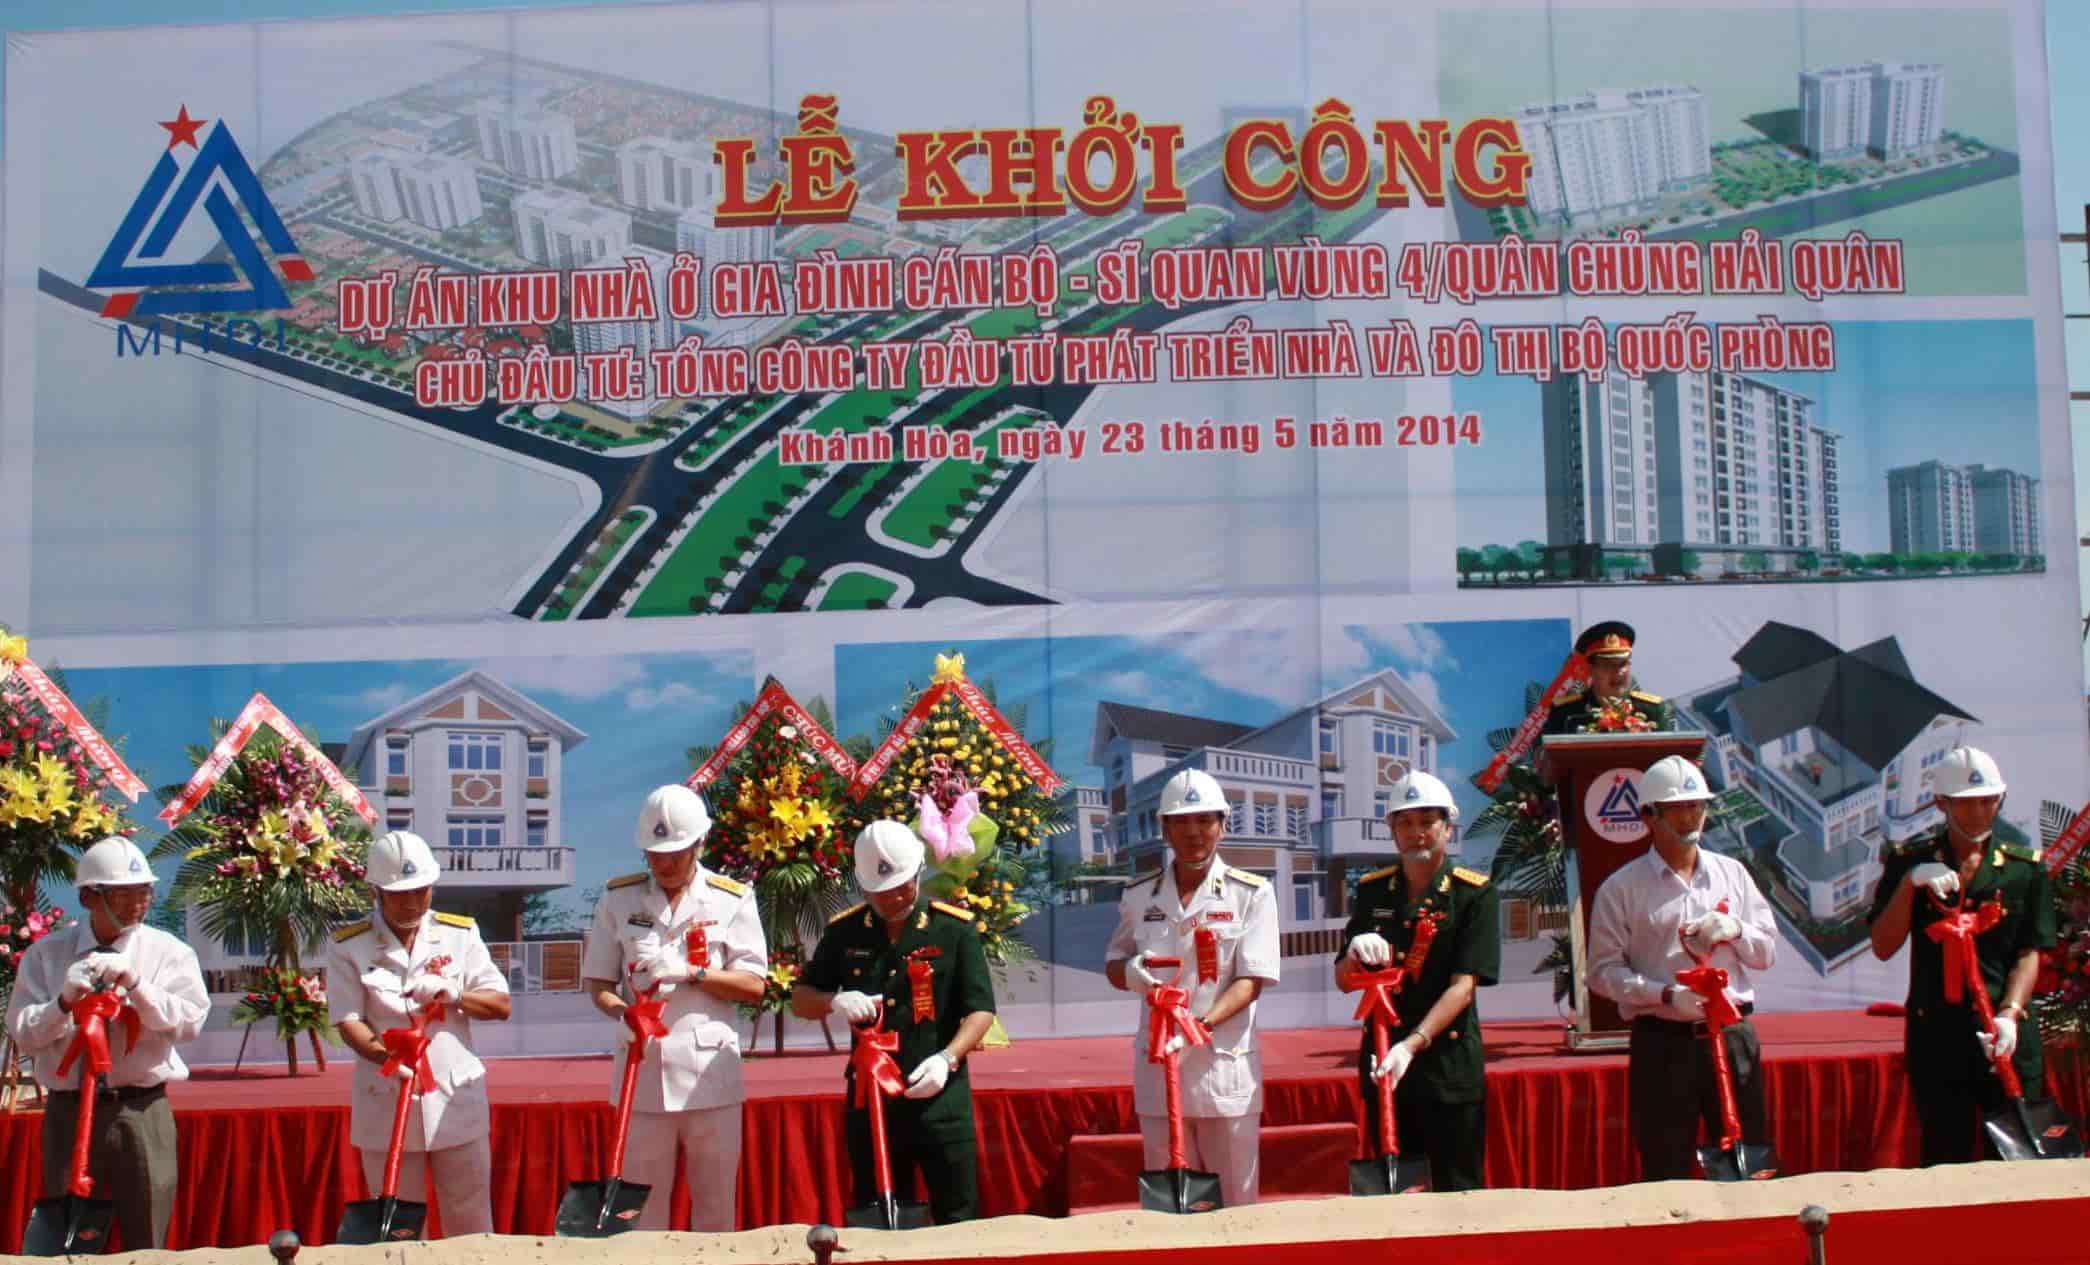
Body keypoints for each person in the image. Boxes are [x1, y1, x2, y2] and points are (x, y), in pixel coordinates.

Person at [3, 835, 209, 1250]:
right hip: (69, 1111)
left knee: (147, 1234)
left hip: (141, 1108)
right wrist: (62, 1004)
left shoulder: (169, 952)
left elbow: (189, 1023)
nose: (138, 903)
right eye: (123, 894)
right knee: (67, 1236)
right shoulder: (47, 955)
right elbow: (23, 1031)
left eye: (144, 892)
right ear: (88, 897)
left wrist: (139, 987)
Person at [581, 784, 768, 1232]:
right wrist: (623, 1014)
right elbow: (598, 982)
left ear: (700, 843)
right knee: (640, 1216)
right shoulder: (618, 898)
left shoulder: (730, 898)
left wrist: (693, 972)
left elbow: (754, 985)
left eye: (675, 854)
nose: (664, 864)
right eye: (654, 854)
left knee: (715, 1209)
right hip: (642, 1073)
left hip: (710, 1080)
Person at [792, 820, 997, 1224]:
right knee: (880, 1218)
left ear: (918, 872)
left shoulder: (952, 929)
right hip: (872, 1102)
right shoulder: (844, 932)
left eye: (902, 887)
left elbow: (981, 1009)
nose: (892, 899)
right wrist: (834, 1001)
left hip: (939, 1095)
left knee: (958, 1213)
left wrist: (948, 1059)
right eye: (880, 892)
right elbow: (801, 999)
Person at [1587, 755, 1777, 1180]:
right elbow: (1602, 973)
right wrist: (1666, 995)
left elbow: (1765, 954)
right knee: (1665, 1170)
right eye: (1676, 808)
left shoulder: (1733, 874)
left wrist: (1737, 929)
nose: (1690, 817)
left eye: (1697, 806)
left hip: (1732, 1036)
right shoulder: (1621, 888)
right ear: (1648, 816)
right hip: (1663, 1044)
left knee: (1748, 1166)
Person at [1866, 746, 2057, 1166]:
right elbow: (1883, 945)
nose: (1980, 812)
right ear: (1942, 803)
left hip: (2004, 1035)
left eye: (1990, 800)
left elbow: (2031, 950)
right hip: (1938, 1033)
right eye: (1968, 802)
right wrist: (1910, 884)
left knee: (2016, 1159)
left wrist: (2010, 1014)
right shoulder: (1909, 862)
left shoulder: (2024, 868)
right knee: (1944, 1157)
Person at [1103, 768, 1280, 1209]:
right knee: (1168, 1208)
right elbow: (1114, 962)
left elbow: (1252, 980)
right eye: (1180, 821)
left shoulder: (1251, 894)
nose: (1193, 832)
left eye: (1204, 820)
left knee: (1236, 1205)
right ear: (1164, 829)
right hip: (1159, 1068)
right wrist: (1131, 973)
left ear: (1222, 824)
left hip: (1223, 1069)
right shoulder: (1139, 895)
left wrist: (1198, 1026)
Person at [327, 830, 511, 1237]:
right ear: (375, 891)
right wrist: (386, 1058)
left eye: (420, 891)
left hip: (454, 1098)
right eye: (399, 894)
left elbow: (500, 1005)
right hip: (386, 1097)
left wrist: (456, 994)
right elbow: (347, 1020)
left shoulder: (460, 934)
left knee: (471, 1221)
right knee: (398, 1228)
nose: (411, 903)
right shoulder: (348, 946)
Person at [1332, 770, 1499, 1191]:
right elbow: (1344, 980)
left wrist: (1412, 1045)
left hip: (1447, 1065)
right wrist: (1353, 954)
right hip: (1385, 1063)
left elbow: (1464, 986)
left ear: (1447, 828)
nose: (1416, 832)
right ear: (1392, 830)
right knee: (1398, 1197)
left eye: (1427, 821)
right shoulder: (1373, 891)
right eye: (1404, 822)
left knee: (1458, 1193)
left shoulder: (1473, 894)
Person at [1544, 621, 1676, 734]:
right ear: (1591, 670)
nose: (1618, 672)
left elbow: (1668, 754)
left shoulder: (1653, 710)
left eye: (1623, 664)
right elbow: (1546, 754)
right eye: (1608, 666)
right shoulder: (1565, 712)